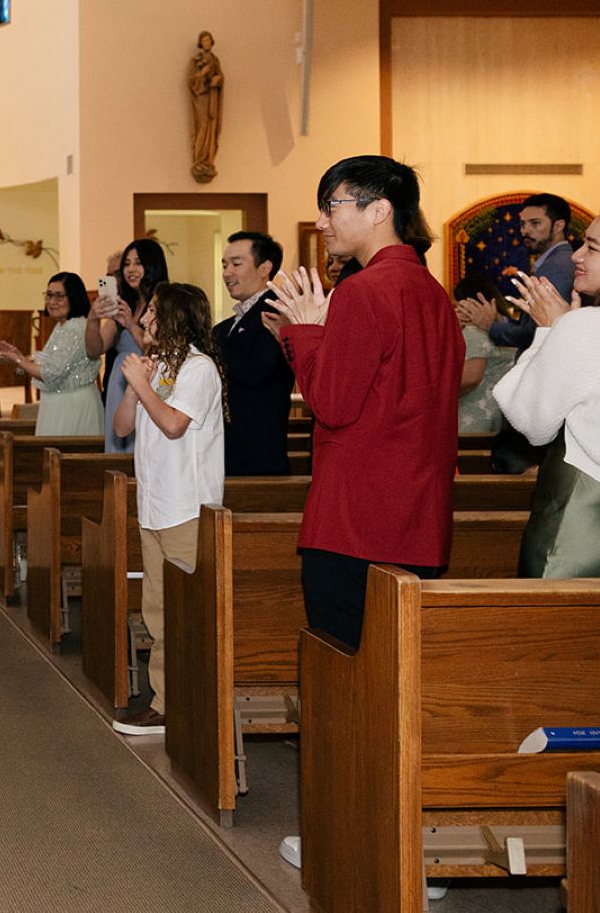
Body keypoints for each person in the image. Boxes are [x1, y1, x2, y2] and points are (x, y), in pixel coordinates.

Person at [268, 156, 460, 650]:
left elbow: (332, 404)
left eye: (332, 205)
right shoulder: (433, 292)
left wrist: (305, 333)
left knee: (345, 677)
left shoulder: (363, 290)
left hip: (354, 520)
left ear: (379, 210)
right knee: (395, 674)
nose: (321, 221)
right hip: (418, 514)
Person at [109, 283, 225, 736]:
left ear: (176, 316)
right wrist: (136, 386)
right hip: (155, 505)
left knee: (180, 611)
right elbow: (121, 427)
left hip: (187, 507)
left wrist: (141, 383)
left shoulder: (198, 368)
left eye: (154, 311)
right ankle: (166, 700)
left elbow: (175, 426)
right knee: (156, 608)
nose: (146, 319)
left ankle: (173, 703)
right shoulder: (160, 368)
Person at [495, 216, 600, 577]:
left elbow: (530, 421)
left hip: (580, 532)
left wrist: (548, 334)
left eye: (593, 247)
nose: (576, 256)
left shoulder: (584, 327)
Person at [459, 193, 576, 474]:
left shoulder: (557, 266)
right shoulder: (549, 263)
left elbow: (539, 331)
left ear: (559, 225)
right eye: (523, 224)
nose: (526, 231)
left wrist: (492, 326)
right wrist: (497, 319)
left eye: (535, 223)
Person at [214, 231, 293, 475]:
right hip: (230, 449)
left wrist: (211, 351)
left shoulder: (278, 312)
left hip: (259, 451)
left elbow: (256, 371)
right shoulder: (226, 326)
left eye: (236, 264)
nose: (227, 273)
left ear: (264, 268)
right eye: (225, 265)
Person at [86, 238, 169, 453]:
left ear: (153, 264)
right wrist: (93, 319)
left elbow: (161, 350)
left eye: (138, 263)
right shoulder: (127, 303)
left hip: (148, 381)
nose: (130, 269)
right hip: (119, 383)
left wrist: (132, 324)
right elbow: (95, 349)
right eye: (127, 264)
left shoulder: (165, 300)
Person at [0, 272, 101, 436]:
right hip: (63, 401)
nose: (52, 302)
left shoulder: (74, 328)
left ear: (74, 298)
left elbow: (50, 373)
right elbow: (53, 362)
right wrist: (21, 357)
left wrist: (17, 359)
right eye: (49, 295)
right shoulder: (63, 325)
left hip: (71, 406)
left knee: (64, 456)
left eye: (59, 296)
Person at [453, 273, 513, 435]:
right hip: (500, 416)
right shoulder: (507, 329)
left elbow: (470, 377)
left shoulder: (474, 331)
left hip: (472, 419)